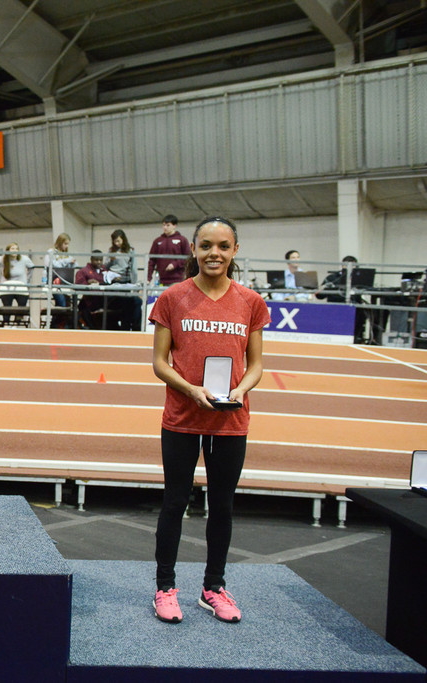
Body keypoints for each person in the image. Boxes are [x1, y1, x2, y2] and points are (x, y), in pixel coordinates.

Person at [148, 216, 270, 624]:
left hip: (230, 420)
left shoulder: (251, 302)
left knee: (222, 505)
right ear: (194, 249)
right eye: (206, 246)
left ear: (235, 251)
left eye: (222, 246)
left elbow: (256, 365)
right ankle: (165, 587)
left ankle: (213, 588)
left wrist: (241, 390)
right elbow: (159, 363)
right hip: (181, 417)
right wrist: (190, 389)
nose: (213, 253)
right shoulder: (172, 298)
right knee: (174, 502)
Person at [0, 242, 34, 325]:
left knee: (22, 306)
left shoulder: (24, 259)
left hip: (20, 287)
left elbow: (31, 267)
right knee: (7, 307)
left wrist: (27, 280)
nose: (15, 250)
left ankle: (16, 323)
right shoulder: (2, 259)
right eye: (12, 249)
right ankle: (6, 323)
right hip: (6, 287)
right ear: (8, 250)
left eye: (16, 249)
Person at [106, 229, 142, 331]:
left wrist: (134, 285)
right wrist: (110, 260)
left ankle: (132, 328)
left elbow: (134, 269)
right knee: (126, 304)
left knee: (131, 303)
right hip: (113, 283)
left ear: (123, 239)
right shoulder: (111, 250)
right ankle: (126, 327)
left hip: (126, 282)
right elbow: (105, 266)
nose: (116, 243)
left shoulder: (130, 250)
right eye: (114, 241)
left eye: (118, 241)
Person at [146, 214, 191, 286]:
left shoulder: (182, 240)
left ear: (174, 226)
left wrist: (175, 264)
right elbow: (152, 261)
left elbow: (188, 258)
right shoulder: (157, 241)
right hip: (161, 280)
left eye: (168, 225)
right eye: (164, 225)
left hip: (177, 279)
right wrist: (148, 278)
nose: (165, 227)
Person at [44, 233, 76, 327]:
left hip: (65, 282)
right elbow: (53, 265)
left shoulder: (66, 255)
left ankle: (61, 325)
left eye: (68, 244)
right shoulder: (51, 252)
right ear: (60, 242)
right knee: (61, 303)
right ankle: (54, 325)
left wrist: (72, 263)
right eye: (65, 244)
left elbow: (73, 265)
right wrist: (67, 261)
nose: (67, 246)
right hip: (53, 282)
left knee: (67, 304)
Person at [75, 250, 109, 328]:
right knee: (84, 307)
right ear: (91, 259)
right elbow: (78, 285)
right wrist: (87, 283)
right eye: (96, 260)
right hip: (90, 301)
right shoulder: (83, 271)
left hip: (104, 300)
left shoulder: (105, 271)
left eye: (101, 260)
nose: (99, 262)